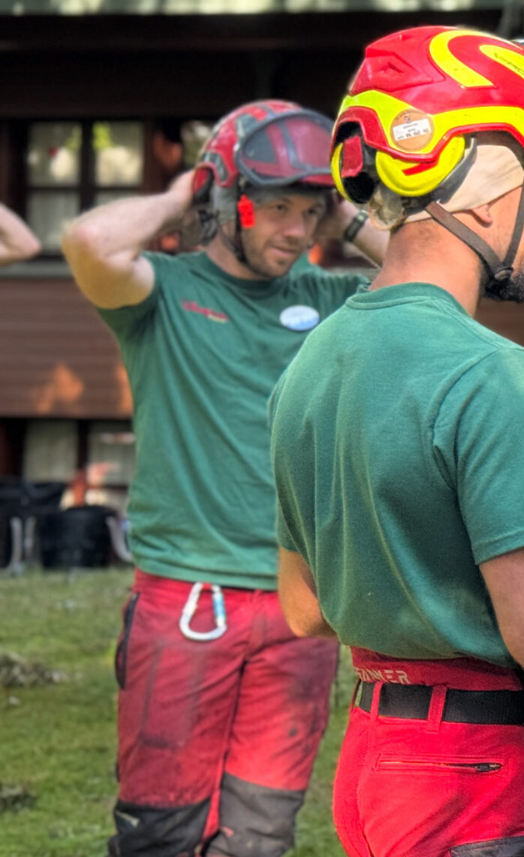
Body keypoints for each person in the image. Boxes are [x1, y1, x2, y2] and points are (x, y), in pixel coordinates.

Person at [270, 26, 524, 857]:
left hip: (375, 761)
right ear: (489, 191)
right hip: (483, 779)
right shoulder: (494, 372)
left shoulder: (308, 364)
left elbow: (305, 608)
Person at [62, 100, 390, 857]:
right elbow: (86, 241)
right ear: (228, 203)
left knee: (261, 835)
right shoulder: (163, 294)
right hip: (187, 600)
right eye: (277, 207)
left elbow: (440, 279)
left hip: (301, 607)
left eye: (309, 213)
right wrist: (188, 189)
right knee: (161, 834)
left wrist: (345, 216)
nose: (295, 230)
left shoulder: (327, 298)